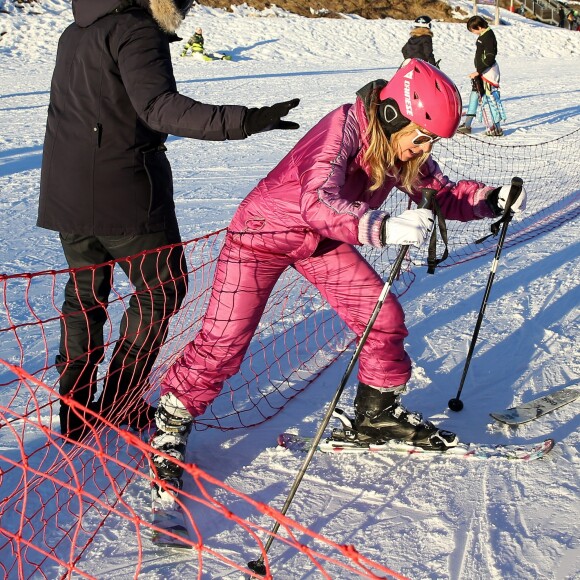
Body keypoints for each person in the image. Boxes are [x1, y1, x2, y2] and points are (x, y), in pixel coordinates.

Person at [148, 59, 527, 488]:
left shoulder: (398, 148)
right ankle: (172, 423)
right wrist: (382, 227)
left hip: (320, 242)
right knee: (225, 341)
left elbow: (438, 193)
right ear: (392, 116)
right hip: (261, 236)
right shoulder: (342, 127)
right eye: (420, 138)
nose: (422, 150)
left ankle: (376, 416)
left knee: (382, 317)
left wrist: (492, 199)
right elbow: (316, 201)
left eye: (430, 143)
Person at [38, 0, 300, 441]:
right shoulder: (135, 29)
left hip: (68, 189)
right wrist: (245, 120)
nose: (188, 6)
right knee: (161, 289)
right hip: (124, 191)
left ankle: (76, 408)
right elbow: (159, 107)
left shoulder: (76, 29)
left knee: (84, 295)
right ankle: (117, 401)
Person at [457, 15, 506, 137]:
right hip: (481, 72)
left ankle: (497, 127)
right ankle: (467, 124)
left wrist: (478, 71)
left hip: (488, 73)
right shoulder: (483, 35)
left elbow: (490, 57)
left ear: (479, 27)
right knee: (474, 96)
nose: (473, 33)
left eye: (473, 30)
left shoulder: (488, 37)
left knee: (491, 100)